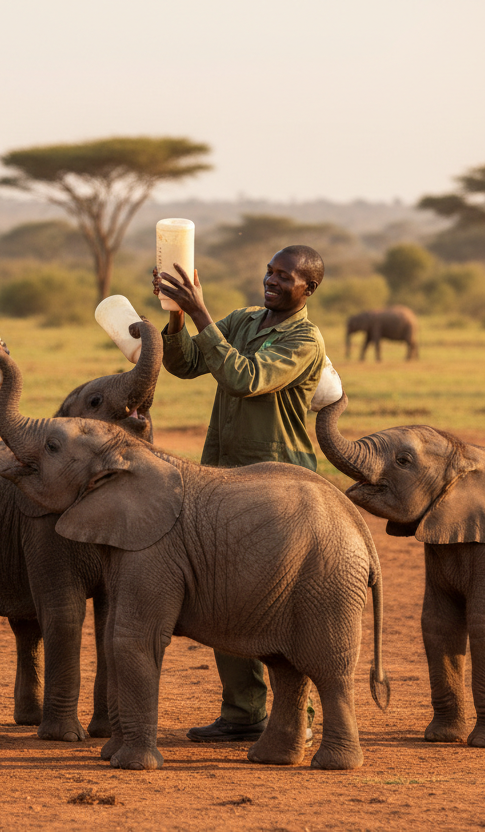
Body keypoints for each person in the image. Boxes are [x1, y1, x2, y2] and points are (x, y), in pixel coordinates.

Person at [154, 244, 327, 743]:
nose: (271, 281)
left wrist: (203, 312)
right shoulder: (244, 319)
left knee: (286, 605)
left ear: (308, 289)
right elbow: (185, 364)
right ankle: (242, 713)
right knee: (223, 598)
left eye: (285, 276)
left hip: (280, 485)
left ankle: (299, 718)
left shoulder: (304, 340)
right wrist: (176, 318)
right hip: (222, 480)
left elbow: (244, 378)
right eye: (270, 271)